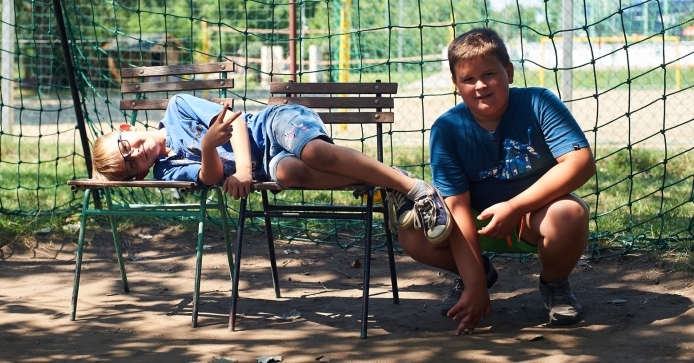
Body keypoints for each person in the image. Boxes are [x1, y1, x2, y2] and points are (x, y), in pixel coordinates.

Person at [395, 28, 595, 335]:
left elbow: (581, 163)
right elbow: (457, 207)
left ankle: (555, 284)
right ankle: (477, 274)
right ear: (456, 84)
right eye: (468, 79)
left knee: (570, 213)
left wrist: (516, 206)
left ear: (509, 72)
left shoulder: (538, 102)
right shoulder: (447, 129)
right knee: (413, 234)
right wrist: (476, 286)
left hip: (532, 216)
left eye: (489, 74)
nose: (480, 85)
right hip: (476, 224)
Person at [91, 93, 453, 244]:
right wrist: (206, 147)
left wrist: (244, 171)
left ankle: (416, 189)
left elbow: (237, 122)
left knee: (314, 153)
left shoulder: (178, 107)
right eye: (132, 162)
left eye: (127, 146)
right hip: (270, 165)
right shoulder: (166, 172)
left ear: (127, 129)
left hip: (274, 123)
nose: (136, 151)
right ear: (139, 174)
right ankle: (392, 181)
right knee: (287, 175)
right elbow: (211, 178)